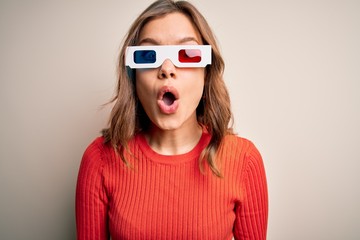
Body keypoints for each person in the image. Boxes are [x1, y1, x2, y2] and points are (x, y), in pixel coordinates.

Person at [75, 0, 268, 239]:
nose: (167, 68)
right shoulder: (100, 160)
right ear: (133, 75)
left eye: (187, 54)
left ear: (206, 73)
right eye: (148, 55)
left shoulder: (244, 161)